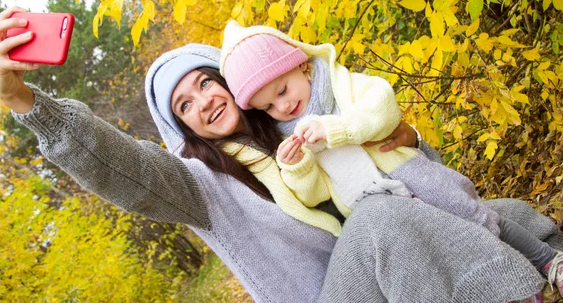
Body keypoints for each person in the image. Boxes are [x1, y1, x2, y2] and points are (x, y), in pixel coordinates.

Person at [0, 7, 559, 302]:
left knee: (495, 212)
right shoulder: (198, 184)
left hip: (390, 265)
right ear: (183, 128)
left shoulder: (295, 110)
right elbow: (121, 167)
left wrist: (410, 141)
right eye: (184, 106)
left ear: (230, 80)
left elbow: (405, 172)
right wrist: (24, 102)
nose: (203, 103)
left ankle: (538, 269)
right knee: (382, 218)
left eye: (206, 83)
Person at [219, 20, 563, 295]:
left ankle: (547, 262)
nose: (283, 106)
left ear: (303, 66)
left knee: (480, 219)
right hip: (376, 209)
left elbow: (383, 108)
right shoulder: (289, 136)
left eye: (282, 90)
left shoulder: (343, 87)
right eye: (269, 106)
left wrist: (339, 129)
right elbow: (317, 194)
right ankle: (509, 285)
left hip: (410, 176)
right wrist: (298, 167)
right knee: (452, 244)